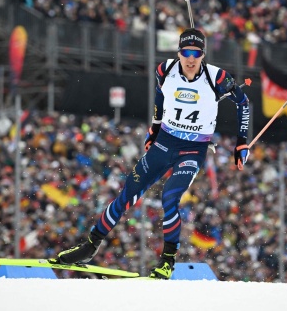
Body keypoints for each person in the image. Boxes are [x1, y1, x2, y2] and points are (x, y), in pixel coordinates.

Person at [52, 28, 251, 279]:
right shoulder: (165, 70)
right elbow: (160, 98)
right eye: (186, 52)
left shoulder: (218, 78)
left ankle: (167, 261)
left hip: (193, 148)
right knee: (127, 194)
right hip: (164, 143)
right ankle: (89, 247)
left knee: (169, 198)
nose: (190, 59)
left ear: (203, 54)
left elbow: (243, 104)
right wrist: (154, 131)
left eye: (196, 53)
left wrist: (242, 142)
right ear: (179, 52)